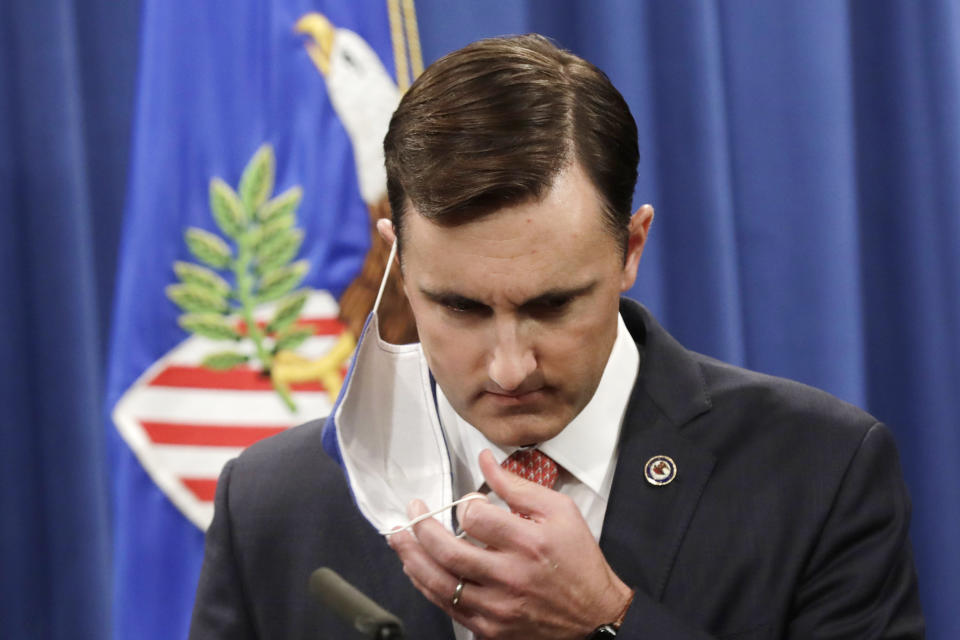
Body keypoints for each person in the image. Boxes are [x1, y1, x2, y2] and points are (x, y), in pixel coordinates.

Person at [190, 35, 923, 639]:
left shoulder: (820, 475)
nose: (510, 368)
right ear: (399, 269)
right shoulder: (273, 505)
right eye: (462, 309)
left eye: (552, 304)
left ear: (631, 249)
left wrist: (609, 623)